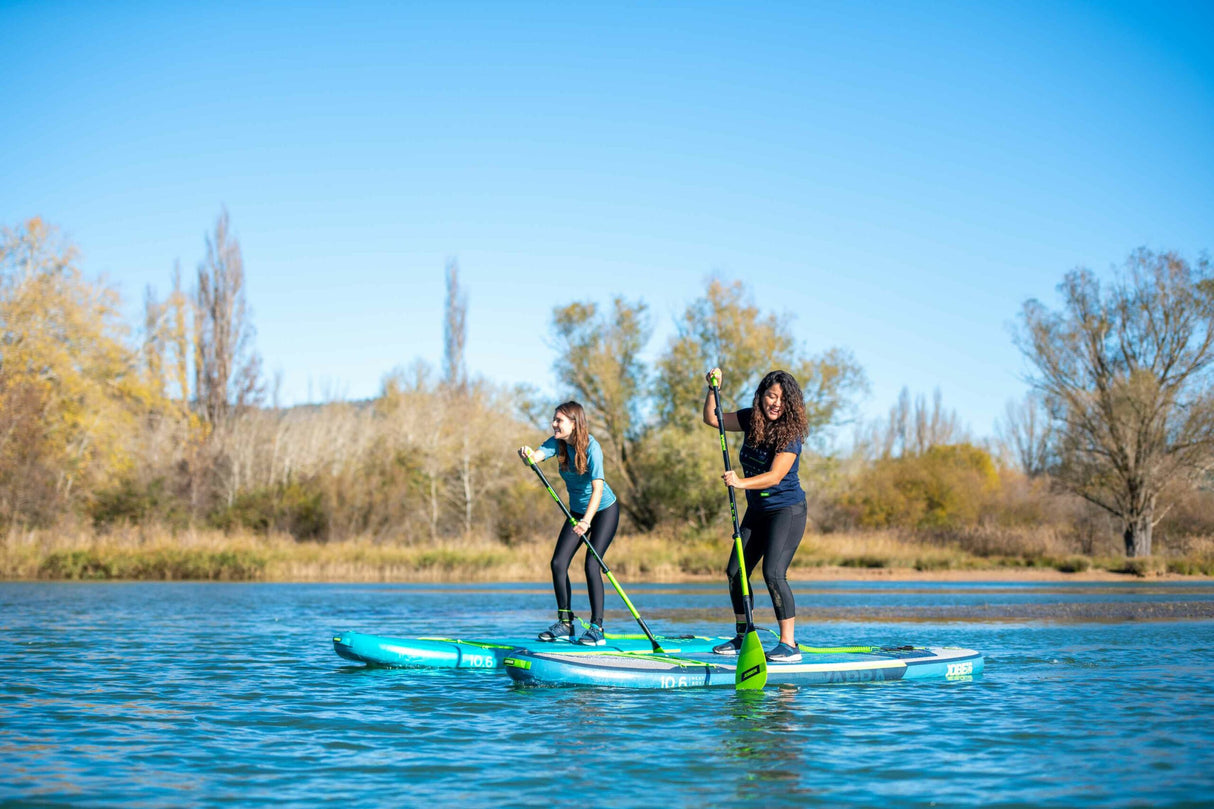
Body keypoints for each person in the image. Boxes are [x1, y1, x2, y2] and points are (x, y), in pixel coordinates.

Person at [702, 368, 809, 663]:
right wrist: (714, 390)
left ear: (791, 404)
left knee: (773, 573)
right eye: (771, 396)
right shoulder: (751, 419)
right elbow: (713, 419)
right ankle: (744, 634)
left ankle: (789, 645)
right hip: (758, 511)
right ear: (761, 396)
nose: (776, 403)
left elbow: (775, 476)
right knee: (735, 572)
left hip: (786, 511)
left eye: (782, 399)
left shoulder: (791, 435)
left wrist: (740, 482)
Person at [518, 401, 620, 646]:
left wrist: (586, 521)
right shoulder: (557, 442)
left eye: (559, 420)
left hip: (603, 510)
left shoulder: (592, 448)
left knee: (591, 565)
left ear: (574, 423)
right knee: (558, 563)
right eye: (554, 419)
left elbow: (597, 489)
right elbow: (536, 457)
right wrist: (528, 456)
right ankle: (565, 623)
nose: (554, 424)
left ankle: (597, 628)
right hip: (576, 512)